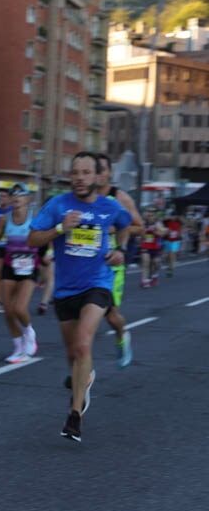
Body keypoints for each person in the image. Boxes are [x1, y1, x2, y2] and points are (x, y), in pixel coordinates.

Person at [28, 152, 132, 443]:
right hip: (65, 289)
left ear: (97, 177)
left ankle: (74, 415)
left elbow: (127, 225)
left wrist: (122, 250)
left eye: (86, 172)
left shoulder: (109, 207)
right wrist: (61, 228)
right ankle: (83, 379)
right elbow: (32, 239)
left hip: (98, 283)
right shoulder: (58, 205)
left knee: (84, 342)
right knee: (74, 353)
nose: (79, 178)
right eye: (75, 172)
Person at [0, 183, 40, 363]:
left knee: (19, 308)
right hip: (11, 265)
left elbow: (46, 234)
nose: (16, 198)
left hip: (30, 265)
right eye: (13, 195)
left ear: (27, 199)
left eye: (20, 195)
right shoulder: (4, 219)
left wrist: (49, 252)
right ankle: (18, 347)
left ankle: (29, 331)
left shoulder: (35, 216)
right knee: (8, 310)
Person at [96, 153, 140, 370]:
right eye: (94, 170)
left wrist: (116, 228)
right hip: (87, 263)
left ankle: (122, 336)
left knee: (109, 314)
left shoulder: (120, 197)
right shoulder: (84, 197)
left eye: (102, 169)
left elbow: (139, 226)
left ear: (109, 172)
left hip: (113, 263)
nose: (98, 174)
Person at [138, 208, 166, 288]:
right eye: (149, 214)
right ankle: (144, 281)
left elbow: (162, 234)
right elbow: (140, 235)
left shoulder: (158, 223)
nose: (150, 216)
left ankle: (155, 275)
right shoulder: (143, 223)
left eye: (152, 214)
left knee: (155, 263)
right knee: (145, 262)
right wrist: (143, 233)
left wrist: (155, 231)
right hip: (146, 246)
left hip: (155, 247)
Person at [162, 211, 183, 277]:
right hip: (168, 240)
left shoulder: (179, 222)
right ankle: (169, 266)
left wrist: (179, 235)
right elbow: (161, 222)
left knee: (172, 254)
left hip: (176, 240)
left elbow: (180, 230)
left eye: (175, 216)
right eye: (172, 216)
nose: (173, 217)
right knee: (168, 255)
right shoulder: (167, 222)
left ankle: (171, 269)